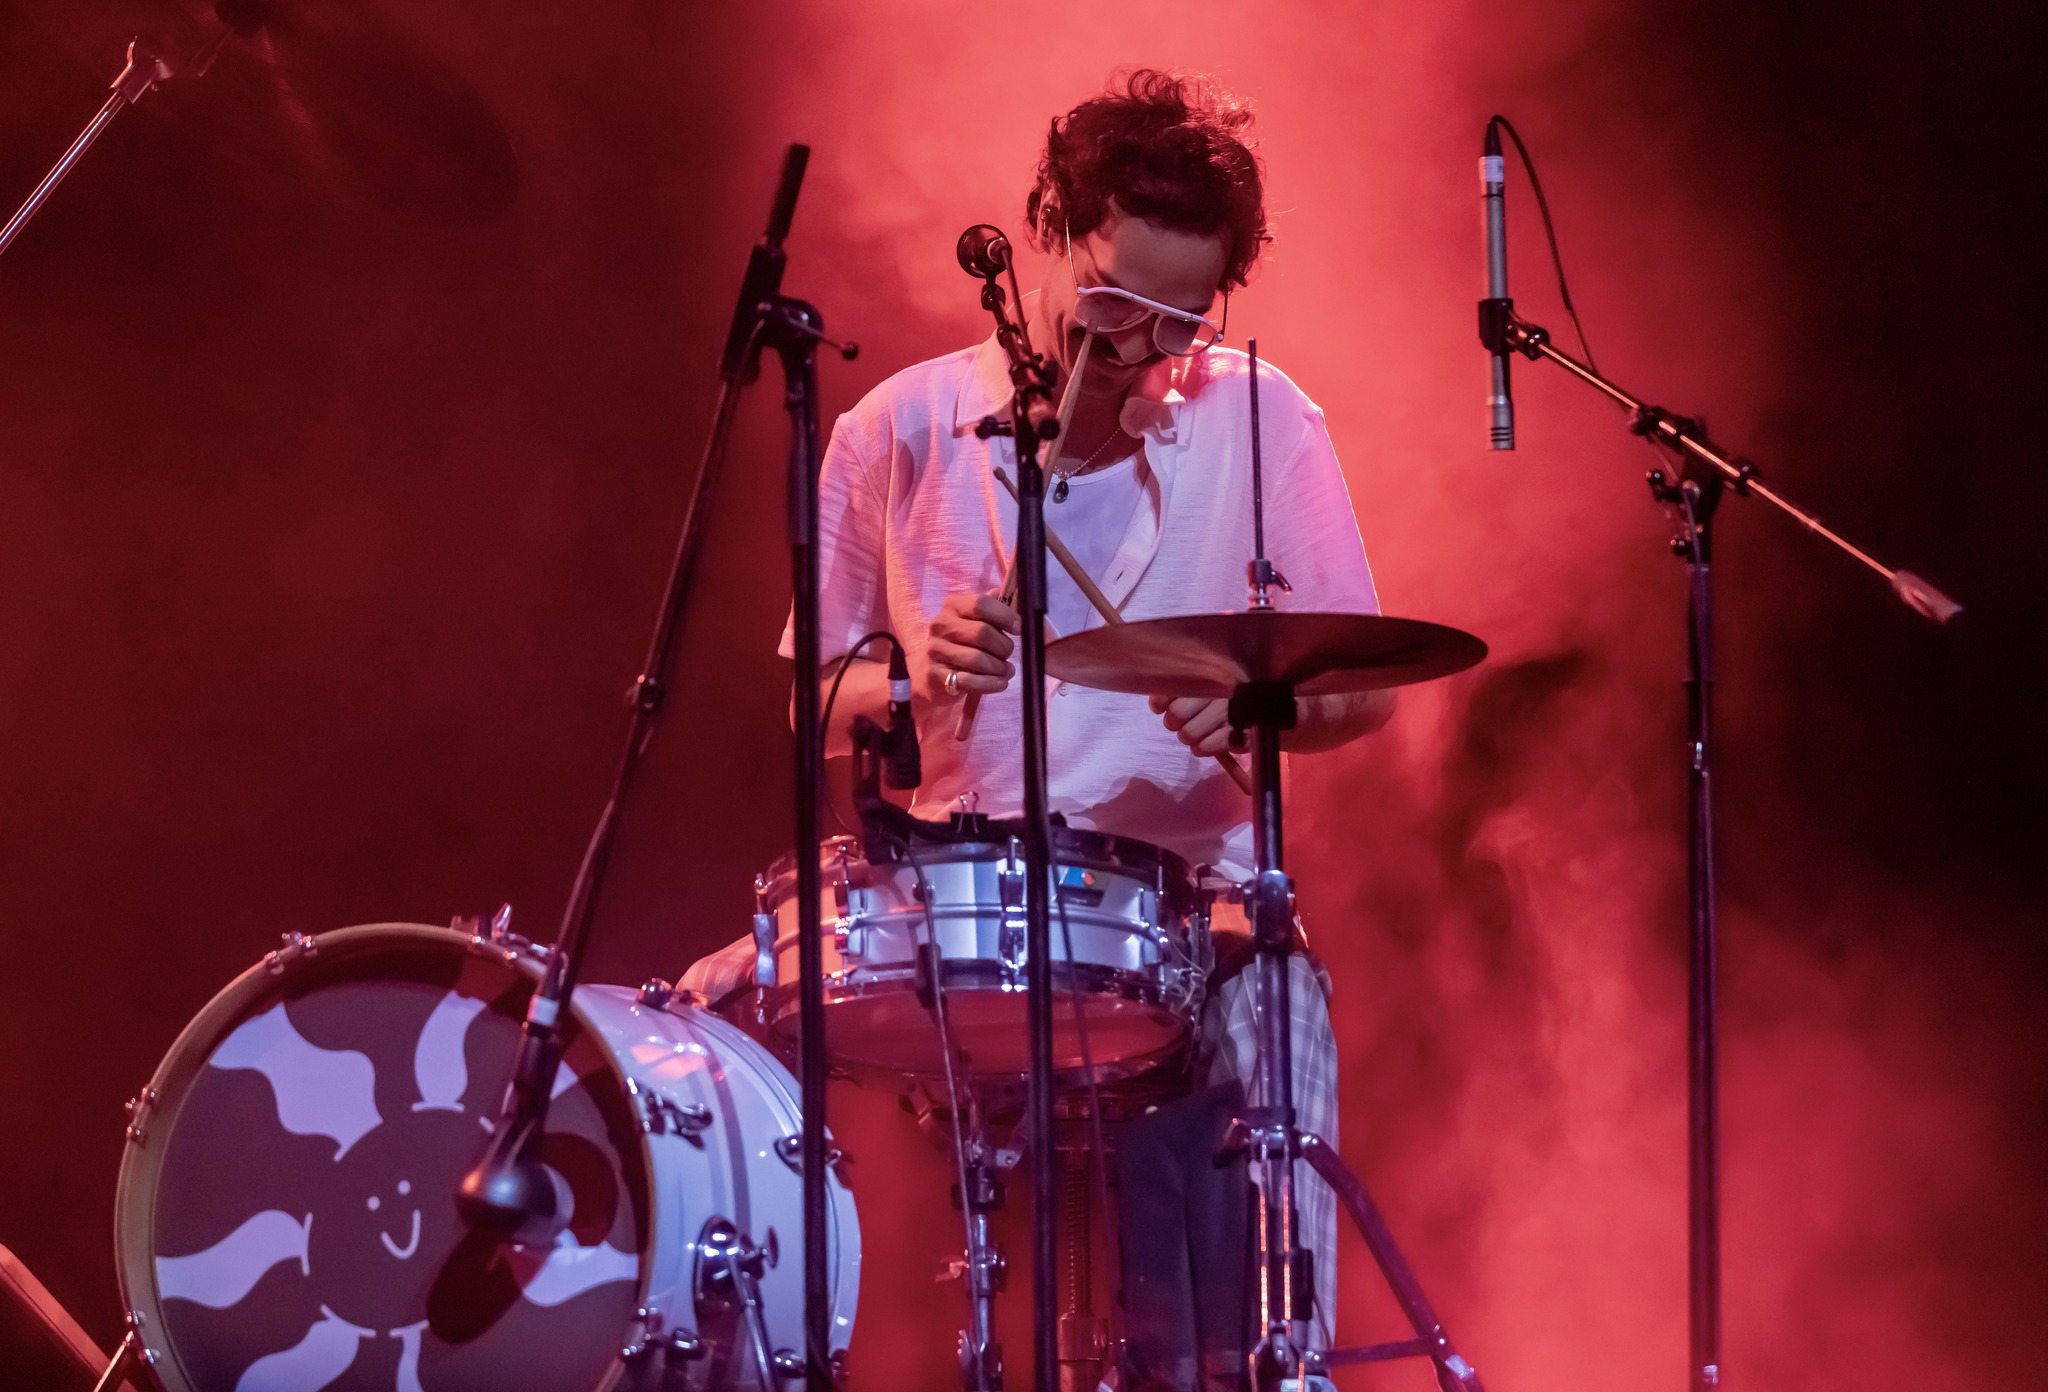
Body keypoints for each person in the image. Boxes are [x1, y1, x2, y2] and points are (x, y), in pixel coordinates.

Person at [688, 69, 1389, 1389]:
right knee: (699, 1024)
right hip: (960, 906)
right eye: (1114, 305)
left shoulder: (1263, 419)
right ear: (1045, 233)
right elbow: (809, 701)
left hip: (1188, 912)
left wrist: (1260, 710)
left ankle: (1271, 1363)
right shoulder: (897, 428)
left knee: (1281, 1016)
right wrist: (906, 684)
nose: (1137, 353)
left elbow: (1362, 689)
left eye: (1181, 321)